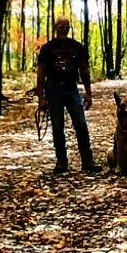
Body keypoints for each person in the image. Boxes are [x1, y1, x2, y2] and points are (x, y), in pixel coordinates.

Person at [36, 17, 100, 175]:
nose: (63, 30)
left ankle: (87, 161)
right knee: (57, 127)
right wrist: (41, 98)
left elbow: (84, 71)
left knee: (81, 124)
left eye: (66, 27)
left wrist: (88, 93)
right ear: (55, 28)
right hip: (53, 90)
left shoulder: (77, 47)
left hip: (72, 89)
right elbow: (40, 74)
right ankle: (61, 162)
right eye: (61, 27)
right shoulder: (47, 49)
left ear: (69, 29)